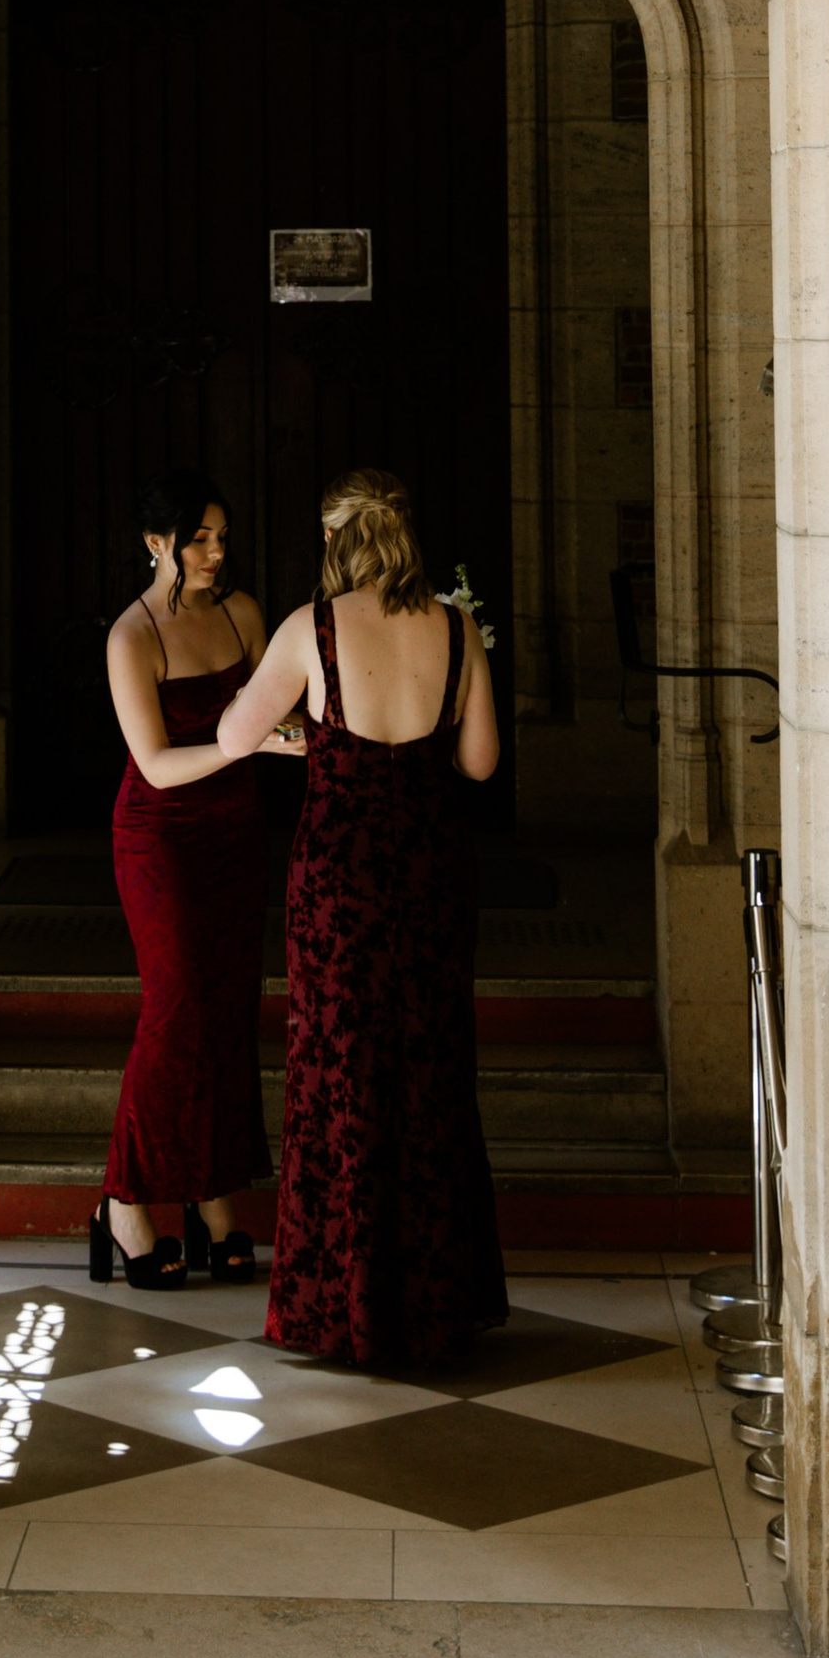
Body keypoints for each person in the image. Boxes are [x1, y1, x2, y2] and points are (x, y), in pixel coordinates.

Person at [216, 464, 506, 1366]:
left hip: (339, 878)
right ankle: (436, 1303)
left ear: (336, 538)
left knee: (338, 1072)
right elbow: (481, 762)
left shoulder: (313, 628)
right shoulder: (456, 628)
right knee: (432, 1069)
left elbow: (231, 736)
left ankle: (343, 1306)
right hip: (431, 872)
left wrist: (303, 740)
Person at [92, 468, 292, 1289]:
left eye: (221, 536)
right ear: (156, 542)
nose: (215, 551)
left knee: (228, 1011)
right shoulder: (130, 637)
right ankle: (123, 1202)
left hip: (238, 832)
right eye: (198, 538)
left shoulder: (244, 613)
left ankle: (213, 1194)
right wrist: (249, 742)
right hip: (161, 836)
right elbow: (156, 763)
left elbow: (284, 710)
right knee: (176, 1011)